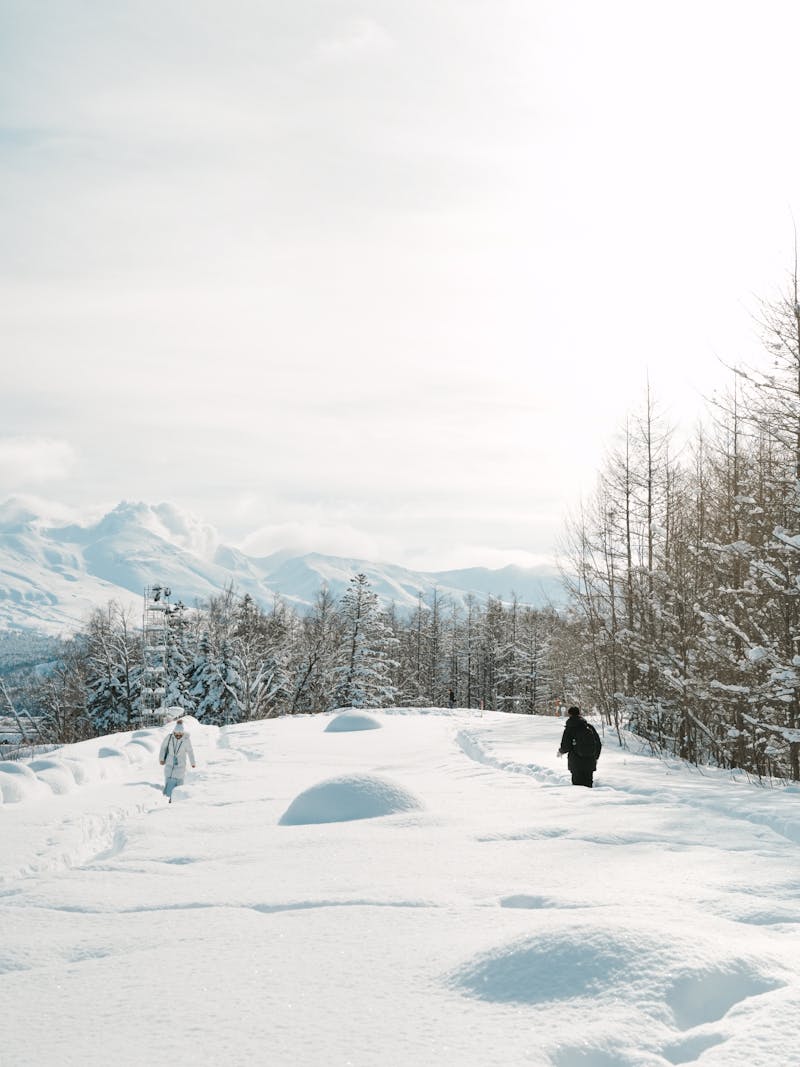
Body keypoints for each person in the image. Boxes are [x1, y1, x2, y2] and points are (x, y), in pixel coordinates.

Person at [557, 706, 602, 787]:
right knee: (588, 785)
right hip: (589, 761)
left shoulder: (569, 728)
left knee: (577, 789)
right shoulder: (589, 727)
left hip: (576, 763)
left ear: (569, 714)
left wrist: (560, 752)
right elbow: (598, 743)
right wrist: (595, 757)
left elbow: (566, 746)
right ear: (579, 713)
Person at [159, 718, 196, 802]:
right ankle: (166, 796)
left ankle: (178, 798)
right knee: (168, 777)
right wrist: (161, 758)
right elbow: (163, 748)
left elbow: (190, 751)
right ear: (174, 732)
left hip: (180, 764)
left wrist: (192, 762)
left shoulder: (186, 740)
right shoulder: (169, 738)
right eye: (177, 733)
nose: (178, 735)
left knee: (179, 779)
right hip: (169, 762)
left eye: (180, 734)